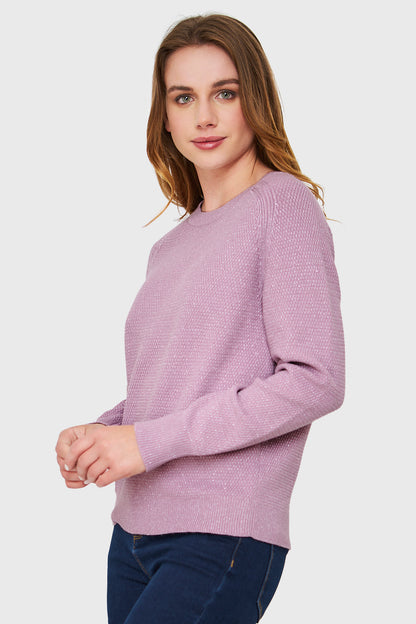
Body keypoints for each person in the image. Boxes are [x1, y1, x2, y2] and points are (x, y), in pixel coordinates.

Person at [55, 13, 345, 624]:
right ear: (164, 115)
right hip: (133, 535)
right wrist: (104, 434)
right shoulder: (173, 244)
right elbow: (175, 385)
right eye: (183, 97)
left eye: (225, 93)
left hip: (220, 536)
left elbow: (314, 379)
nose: (204, 117)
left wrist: (144, 442)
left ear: (255, 101)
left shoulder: (282, 205)